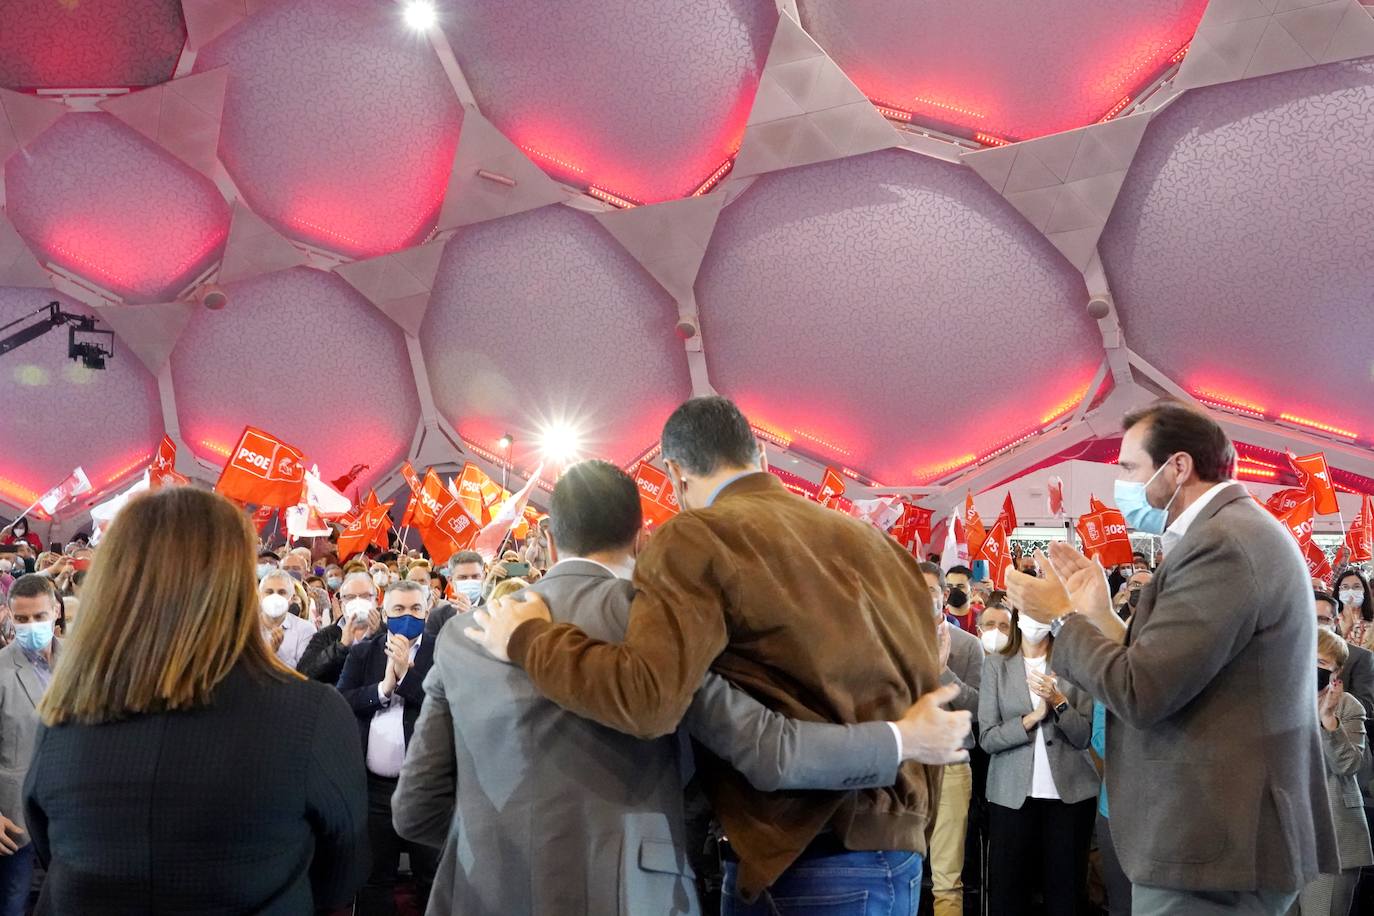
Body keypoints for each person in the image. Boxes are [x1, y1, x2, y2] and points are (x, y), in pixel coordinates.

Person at [397, 459, 967, 915]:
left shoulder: (463, 635)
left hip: (481, 889)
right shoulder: (656, 624)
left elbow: (414, 809)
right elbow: (769, 749)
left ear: (548, 540)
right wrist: (899, 741)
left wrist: (492, 838)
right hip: (636, 894)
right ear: (642, 538)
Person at [1008, 399, 1337, 915]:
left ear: (1177, 466)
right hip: (1220, 837)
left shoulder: (1223, 543)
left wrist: (1062, 620)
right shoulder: (1231, 533)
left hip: (1213, 840)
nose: (1119, 482)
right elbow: (1176, 666)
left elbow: (1141, 691)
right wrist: (1101, 615)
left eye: (1128, 468)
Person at [23, 487, 367, 914]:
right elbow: (342, 875)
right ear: (237, 583)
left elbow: (49, 848)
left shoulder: (63, 714)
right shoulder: (310, 714)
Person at [979, 605, 1098, 915]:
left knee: (1066, 894)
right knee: (1008, 893)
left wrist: (1058, 703)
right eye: (1028, 612)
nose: (1034, 621)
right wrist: (1031, 719)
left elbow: (1084, 735)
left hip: (1069, 797)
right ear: (1017, 618)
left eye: (1042, 612)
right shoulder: (996, 665)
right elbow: (988, 738)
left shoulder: (1075, 666)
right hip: (1011, 796)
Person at [336, 580, 439, 915]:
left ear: (427, 611)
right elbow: (341, 701)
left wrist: (407, 678)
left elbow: (448, 705)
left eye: (415, 609)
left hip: (426, 790)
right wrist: (383, 688)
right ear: (384, 611)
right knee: (373, 879)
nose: (407, 616)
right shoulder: (364, 651)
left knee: (431, 878)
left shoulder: (443, 651)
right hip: (373, 790)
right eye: (398, 609)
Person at [918, 561, 983, 916]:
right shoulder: (890, 640)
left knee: (947, 879)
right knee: (898, 869)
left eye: (929, 590)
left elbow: (977, 707)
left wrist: (942, 672)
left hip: (952, 767)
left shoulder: (968, 645)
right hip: (904, 767)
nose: (921, 597)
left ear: (943, 595)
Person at [0, 575, 61, 915]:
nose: (31, 626)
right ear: (9, 616)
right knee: (13, 901)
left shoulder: (81, 664)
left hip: (68, 812)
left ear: (55, 611)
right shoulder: (1, 670)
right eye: (21, 619)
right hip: (13, 819)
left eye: (39, 617)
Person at [1301, 628, 1372, 915]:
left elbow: (1349, 765)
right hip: (1278, 837)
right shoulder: (1272, 699)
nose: (1311, 668)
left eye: (1321, 663)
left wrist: (1328, 719)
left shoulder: (1347, 706)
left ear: (1336, 672)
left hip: (1331, 838)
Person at [297, 572, 380, 684]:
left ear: (376, 601)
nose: (358, 601)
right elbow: (305, 674)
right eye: (350, 597)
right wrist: (341, 647)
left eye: (365, 596)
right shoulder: (327, 635)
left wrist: (376, 637)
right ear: (342, 604)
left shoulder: (388, 633)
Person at [259, 569, 315, 670]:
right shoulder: (245, 628)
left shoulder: (305, 629)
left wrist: (276, 654)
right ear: (260, 596)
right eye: (269, 592)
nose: (275, 597)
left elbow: (304, 672)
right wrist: (268, 654)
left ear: (291, 598)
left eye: (281, 592)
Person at [1334, 569, 1374, 653]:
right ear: (1339, 591)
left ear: (1364, 591)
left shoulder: (1372, 624)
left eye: (1356, 587)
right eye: (1345, 587)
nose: (1350, 591)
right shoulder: (1331, 620)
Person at [944, 564, 978, 635]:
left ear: (972, 590)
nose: (954, 590)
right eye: (949, 586)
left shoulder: (981, 619)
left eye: (960, 586)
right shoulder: (938, 618)